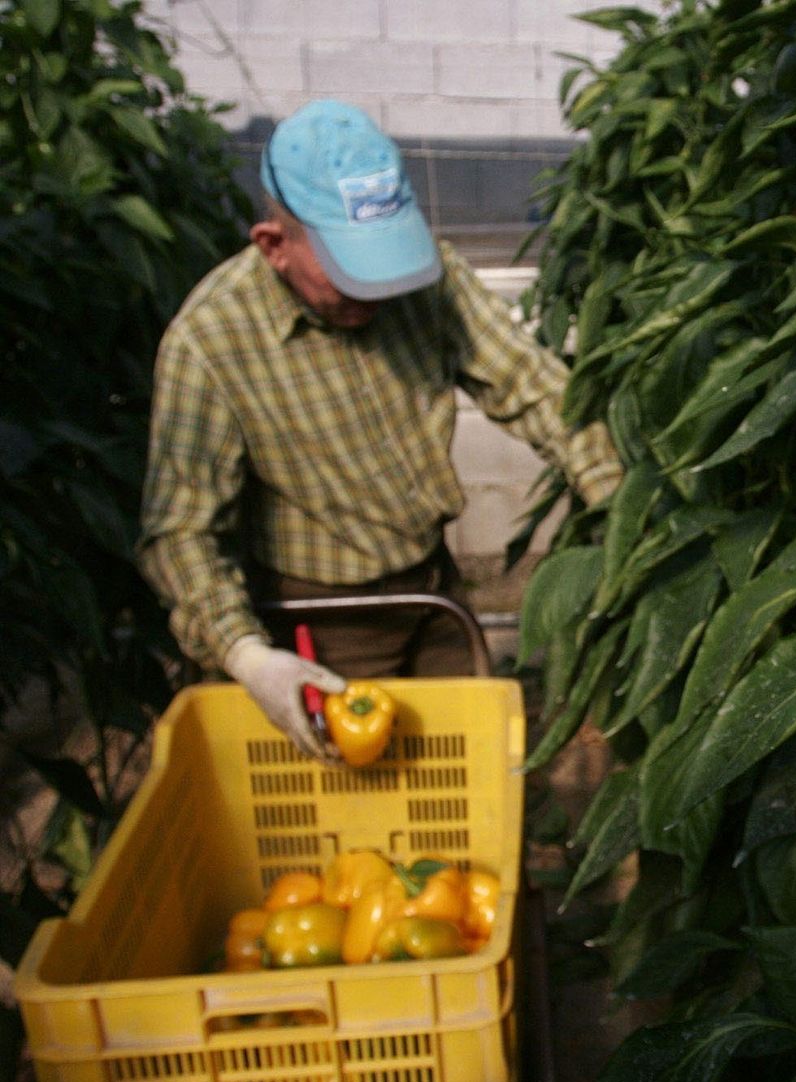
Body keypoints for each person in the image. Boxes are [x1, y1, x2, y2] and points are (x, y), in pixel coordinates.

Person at [138, 100, 621, 761]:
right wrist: (245, 652)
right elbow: (181, 527)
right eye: (348, 268)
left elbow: (534, 386)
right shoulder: (213, 340)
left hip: (433, 589)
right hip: (322, 618)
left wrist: (618, 500)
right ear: (274, 245)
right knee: (349, 790)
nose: (376, 291)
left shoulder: (422, 285)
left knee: (467, 761)